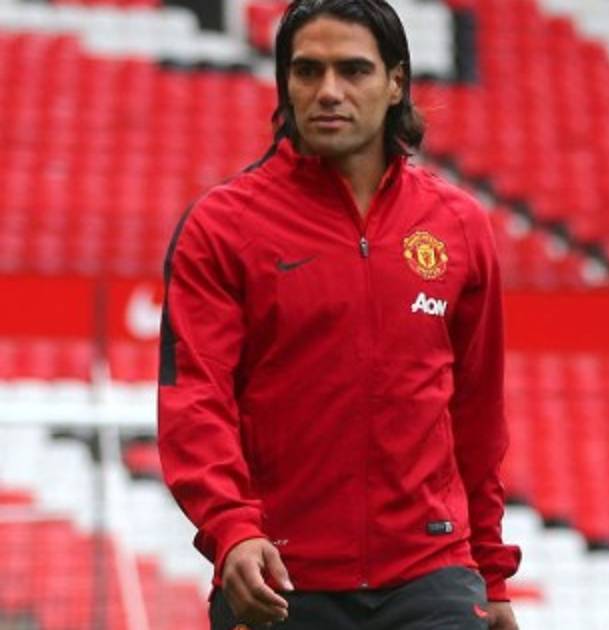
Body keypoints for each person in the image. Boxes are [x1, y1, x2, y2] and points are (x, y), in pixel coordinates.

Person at [156, 1, 520, 628]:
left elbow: (478, 414)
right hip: (277, 578)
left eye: (353, 70)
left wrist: (492, 574)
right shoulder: (221, 227)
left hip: (431, 576)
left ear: (395, 82)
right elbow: (196, 403)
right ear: (285, 83)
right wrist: (233, 529)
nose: (328, 91)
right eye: (307, 71)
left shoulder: (458, 224)